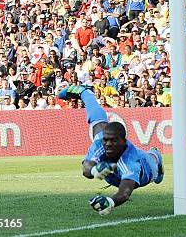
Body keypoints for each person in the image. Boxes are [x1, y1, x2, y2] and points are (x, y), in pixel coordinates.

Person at [57, 85, 164, 216]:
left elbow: (125, 191)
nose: (108, 144)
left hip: (146, 168)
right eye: (106, 140)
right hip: (114, 169)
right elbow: (86, 168)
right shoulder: (99, 142)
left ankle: (156, 155)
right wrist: (94, 170)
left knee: (152, 158)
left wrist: (110, 202)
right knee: (98, 122)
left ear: (124, 141)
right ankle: (85, 91)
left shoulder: (131, 161)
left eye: (113, 140)